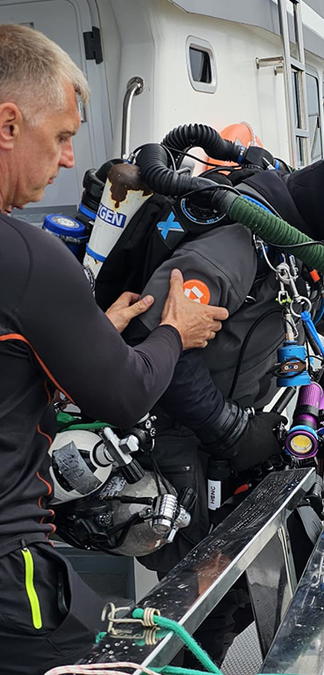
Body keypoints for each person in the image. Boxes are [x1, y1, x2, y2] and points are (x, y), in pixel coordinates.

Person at [122, 130, 324, 663]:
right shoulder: (234, 247)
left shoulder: (289, 234)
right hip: (182, 447)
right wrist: (231, 429)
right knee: (204, 602)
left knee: (245, 588)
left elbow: (319, 298)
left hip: (234, 437)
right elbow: (152, 348)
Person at [0, 24, 230, 675]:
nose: (71, 159)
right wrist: (172, 334)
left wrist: (84, 327)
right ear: (8, 124)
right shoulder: (25, 257)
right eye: (64, 136)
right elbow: (126, 393)